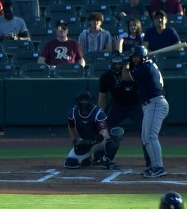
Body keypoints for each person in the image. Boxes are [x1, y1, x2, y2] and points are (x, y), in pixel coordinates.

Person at [121, 45, 169, 178]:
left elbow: (126, 77)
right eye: (134, 57)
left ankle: (158, 167)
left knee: (150, 137)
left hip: (155, 104)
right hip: (152, 105)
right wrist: (130, 60)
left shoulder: (146, 67)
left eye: (137, 57)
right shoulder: (147, 65)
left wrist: (125, 63)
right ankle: (154, 166)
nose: (135, 59)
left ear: (143, 56)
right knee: (145, 137)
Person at [98, 51, 150, 167]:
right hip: (118, 106)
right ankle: (104, 157)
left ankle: (150, 159)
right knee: (105, 128)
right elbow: (102, 97)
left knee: (145, 131)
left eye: (119, 64)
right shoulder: (106, 77)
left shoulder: (133, 73)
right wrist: (100, 115)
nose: (117, 66)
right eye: (114, 64)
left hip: (136, 105)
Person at [64, 91, 121, 170]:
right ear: (77, 101)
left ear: (90, 100)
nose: (84, 102)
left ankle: (107, 160)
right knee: (71, 163)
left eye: (86, 100)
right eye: (82, 100)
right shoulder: (73, 112)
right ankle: (88, 158)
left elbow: (103, 132)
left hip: (98, 142)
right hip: (84, 142)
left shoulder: (97, 112)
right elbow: (70, 126)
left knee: (114, 135)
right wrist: (75, 140)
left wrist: (92, 142)